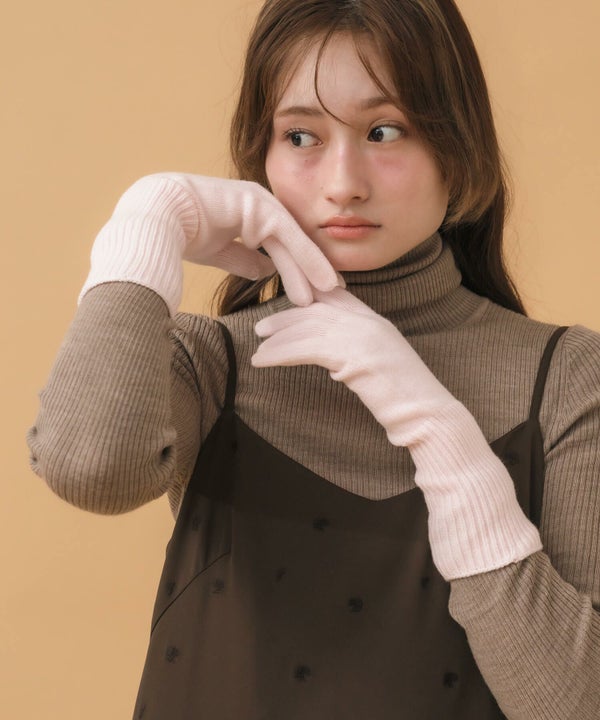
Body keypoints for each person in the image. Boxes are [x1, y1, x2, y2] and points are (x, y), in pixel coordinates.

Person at [27, 0, 600, 718]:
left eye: (384, 131)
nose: (343, 183)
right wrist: (148, 219)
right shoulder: (214, 364)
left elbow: (575, 704)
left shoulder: (565, 377)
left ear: (459, 151)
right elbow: (87, 469)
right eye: (301, 136)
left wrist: (438, 430)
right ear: (261, 158)